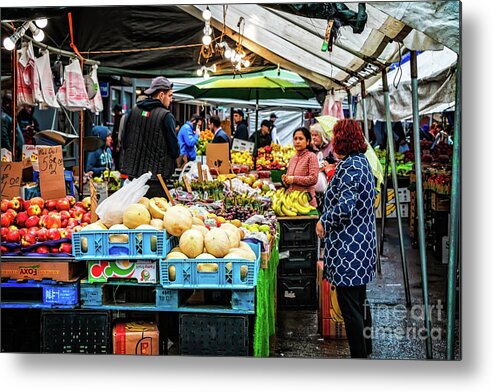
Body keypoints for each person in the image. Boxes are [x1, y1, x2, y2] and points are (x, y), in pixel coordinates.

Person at [316, 118, 377, 359]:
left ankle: (359, 358)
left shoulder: (351, 166)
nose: (332, 142)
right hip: (360, 243)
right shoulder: (359, 162)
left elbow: (345, 207)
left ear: (342, 140)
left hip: (349, 247)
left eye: (335, 137)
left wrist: (324, 221)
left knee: (350, 306)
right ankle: (366, 348)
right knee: (360, 300)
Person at [120, 76, 180, 198]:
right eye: (170, 96)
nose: (171, 100)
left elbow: (124, 142)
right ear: (161, 95)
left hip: (133, 180)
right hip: (156, 182)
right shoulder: (166, 116)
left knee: (134, 214)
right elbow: (174, 150)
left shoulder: (133, 111)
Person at [282, 127, 319, 207]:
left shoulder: (311, 156)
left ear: (308, 141)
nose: (297, 141)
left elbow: (313, 179)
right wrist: (286, 181)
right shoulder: (293, 158)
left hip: (306, 202)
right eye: (295, 139)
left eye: (301, 139)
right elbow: (291, 183)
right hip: (291, 202)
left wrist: (293, 179)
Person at [1, 94, 24, 158]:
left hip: (17, 152)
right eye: (13, 104)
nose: (15, 106)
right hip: (11, 154)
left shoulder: (10, 116)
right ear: (7, 104)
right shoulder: (4, 117)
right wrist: (10, 152)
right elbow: (4, 137)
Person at [111, 104, 123, 170]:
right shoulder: (119, 118)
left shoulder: (119, 119)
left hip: (117, 143)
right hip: (116, 142)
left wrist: (118, 143)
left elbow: (118, 132)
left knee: (117, 159)